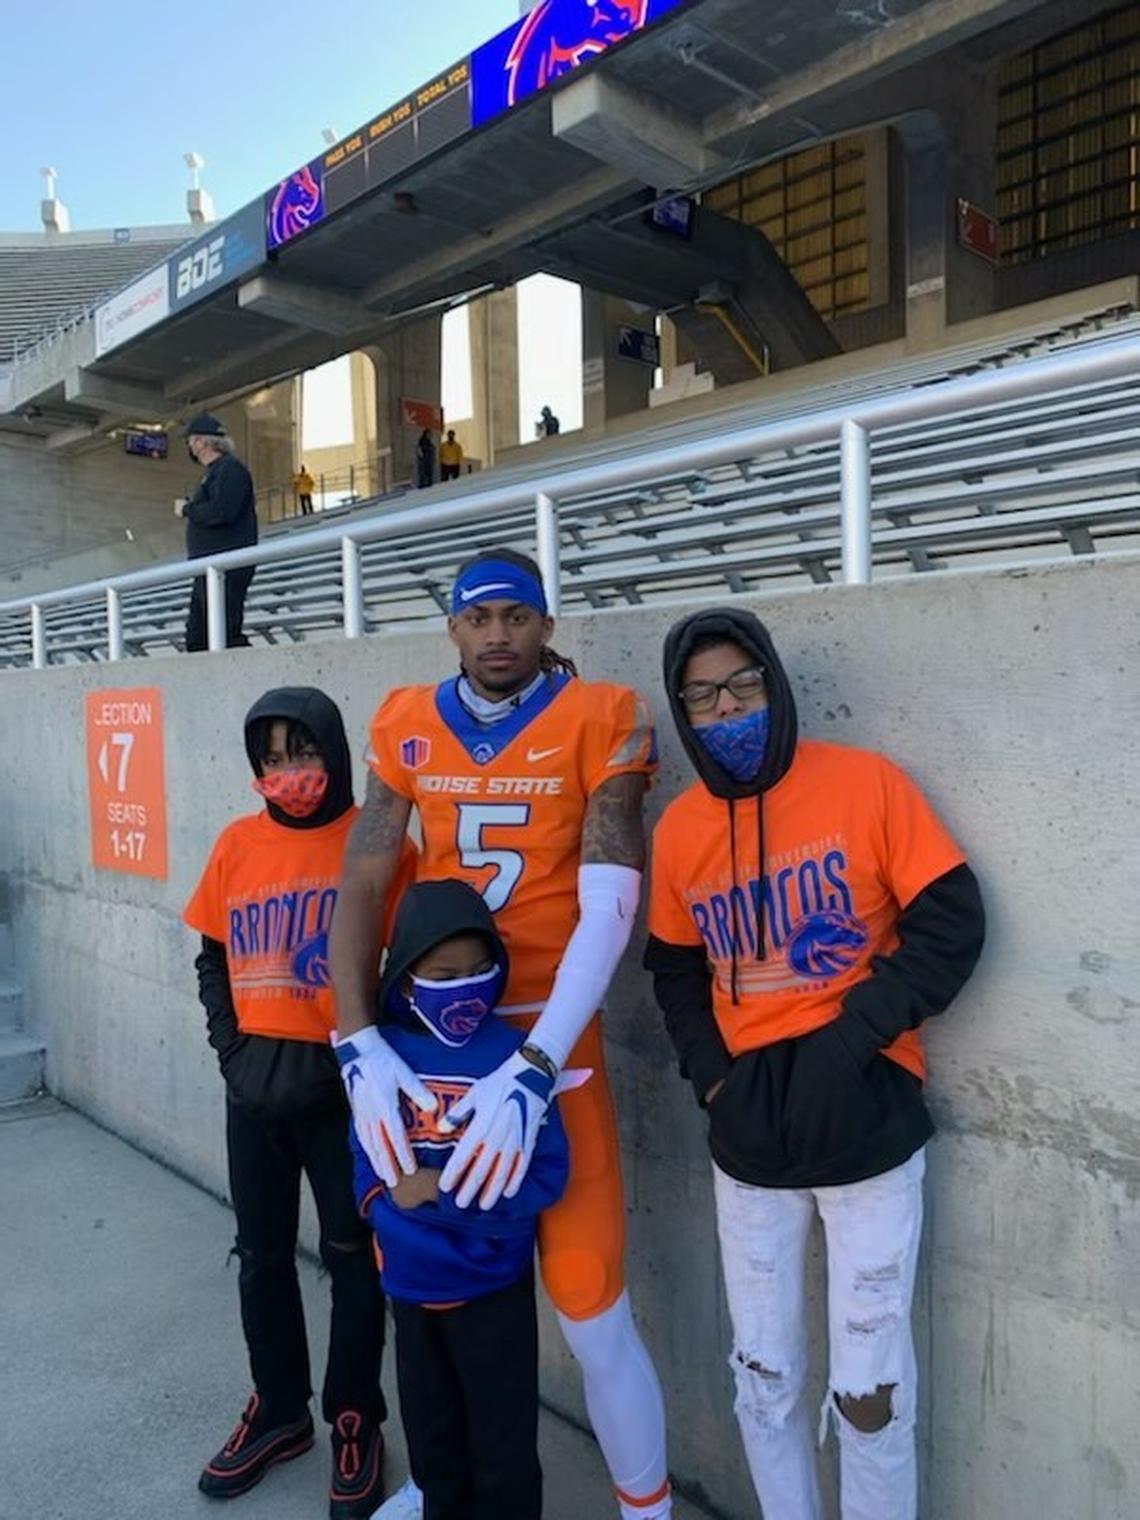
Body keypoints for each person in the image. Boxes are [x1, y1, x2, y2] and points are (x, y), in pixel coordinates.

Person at [329, 547, 674, 1520]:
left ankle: (647, 1508)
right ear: (452, 628)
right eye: (478, 618)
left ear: (546, 624)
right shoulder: (405, 721)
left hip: (548, 1057)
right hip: (427, 1051)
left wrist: (534, 1062)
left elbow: (612, 897)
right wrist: (356, 1037)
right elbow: (362, 875)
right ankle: (440, 1481)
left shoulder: (600, 716)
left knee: (590, 1302)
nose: (496, 635)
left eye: (515, 616)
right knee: (427, 1291)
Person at [643, 607, 986, 1520]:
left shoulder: (865, 785)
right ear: (683, 711)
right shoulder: (679, 829)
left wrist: (850, 1041)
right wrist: (712, 1078)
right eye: (704, 697)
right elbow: (673, 967)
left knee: (870, 1395)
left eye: (744, 687)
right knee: (764, 1377)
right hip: (749, 1143)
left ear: (776, 685)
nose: (729, 712)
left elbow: (951, 923)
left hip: (867, 1124)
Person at [183, 686, 416, 1519]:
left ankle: (354, 1416)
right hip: (253, 1091)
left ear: (337, 753)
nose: (291, 773)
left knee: (355, 1262)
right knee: (262, 1257)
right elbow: (211, 957)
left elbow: (409, 961)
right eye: (274, 759)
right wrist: (231, 1051)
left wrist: (363, 1062)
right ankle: (279, 1411)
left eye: (305, 752)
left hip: (344, 1093)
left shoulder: (376, 844)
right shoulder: (235, 846)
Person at [344, 878, 573, 1520]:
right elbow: (365, 1159)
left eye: (479, 970)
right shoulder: (385, 1054)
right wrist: (387, 1204)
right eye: (444, 974)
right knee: (433, 1444)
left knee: (503, 1450)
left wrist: (433, 1195)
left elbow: (548, 1173)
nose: (465, 986)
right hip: (411, 1291)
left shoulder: (514, 1056)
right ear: (407, 980)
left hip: (493, 1291)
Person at [175, 412, 259, 652]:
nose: (189, 446)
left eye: (191, 440)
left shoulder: (230, 469)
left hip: (225, 566)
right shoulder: (215, 472)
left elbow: (223, 511)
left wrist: (188, 510)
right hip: (209, 567)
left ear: (203, 442)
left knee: (224, 633)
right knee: (198, 637)